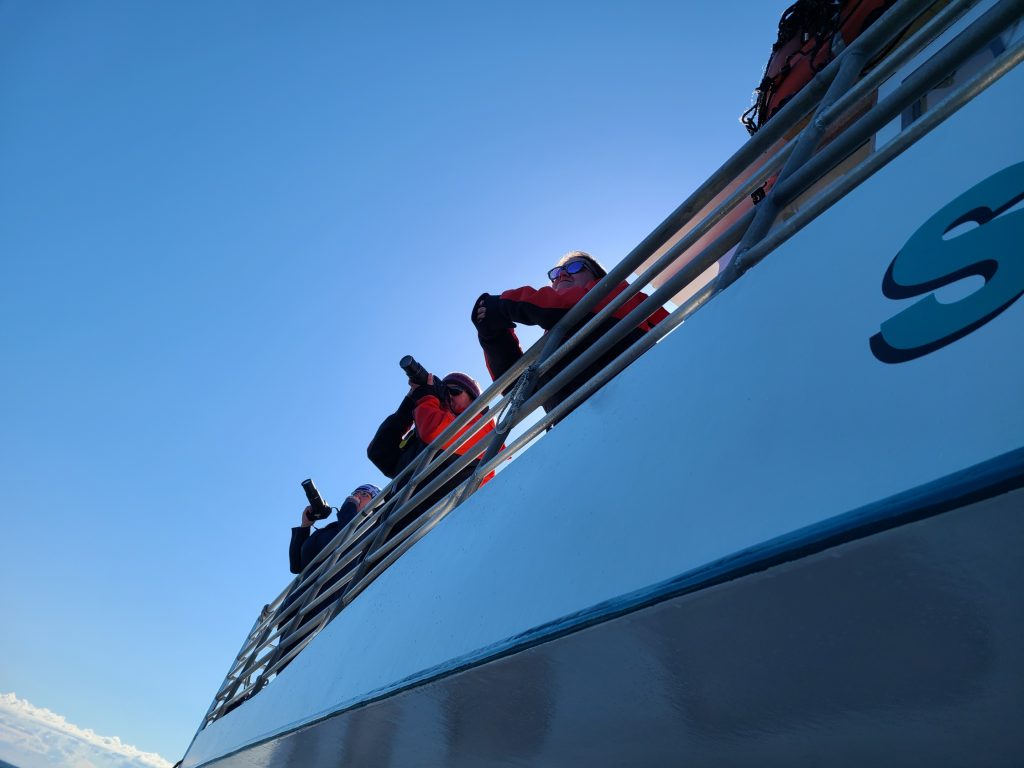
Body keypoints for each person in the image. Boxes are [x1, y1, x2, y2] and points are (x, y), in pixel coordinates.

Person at [471, 250, 669, 414]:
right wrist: (494, 335)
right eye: (556, 274)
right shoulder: (554, 336)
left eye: (575, 267)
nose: (562, 275)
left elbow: (559, 306)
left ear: (597, 276)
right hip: (576, 429)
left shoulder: (616, 293)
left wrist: (502, 305)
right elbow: (517, 389)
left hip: (636, 400)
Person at [367, 371, 494, 530]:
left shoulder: (483, 430)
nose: (449, 397)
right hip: (391, 526)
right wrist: (409, 404)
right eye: (444, 393)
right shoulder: (425, 436)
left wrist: (426, 397)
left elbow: (435, 432)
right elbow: (379, 452)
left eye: (455, 391)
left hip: (433, 532)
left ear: (475, 400)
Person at [288, 483, 381, 575]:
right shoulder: (331, 529)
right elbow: (295, 566)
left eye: (364, 494)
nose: (356, 496)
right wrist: (305, 526)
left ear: (375, 503)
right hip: (309, 588)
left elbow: (349, 536)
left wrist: (350, 504)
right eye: (355, 493)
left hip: (335, 586)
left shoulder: (371, 527)